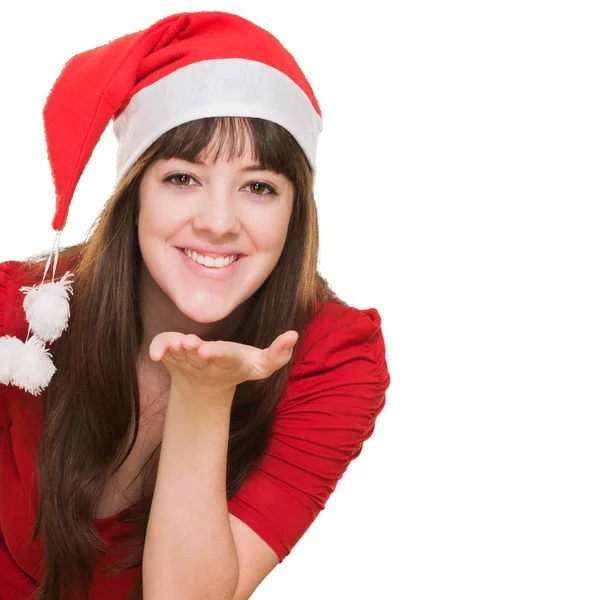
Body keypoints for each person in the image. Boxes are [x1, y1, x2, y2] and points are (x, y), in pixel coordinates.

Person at [0, 10, 391, 600]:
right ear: (135, 194)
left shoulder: (333, 360)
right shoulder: (22, 314)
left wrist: (204, 395)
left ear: (295, 211)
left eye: (259, 187)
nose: (216, 223)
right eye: (183, 178)